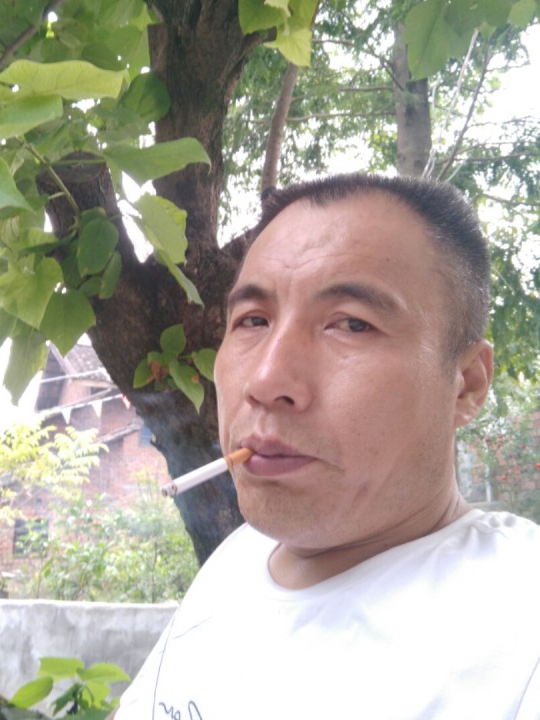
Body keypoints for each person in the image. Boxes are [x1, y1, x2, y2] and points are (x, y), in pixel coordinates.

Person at [112, 174, 540, 719]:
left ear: (466, 385)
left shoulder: (520, 631)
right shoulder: (236, 560)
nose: (265, 380)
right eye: (253, 321)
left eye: (352, 325)